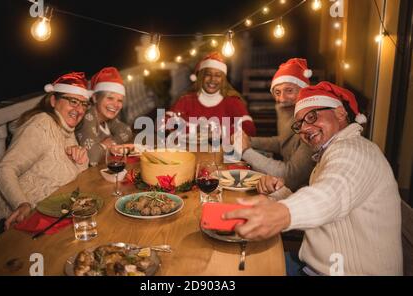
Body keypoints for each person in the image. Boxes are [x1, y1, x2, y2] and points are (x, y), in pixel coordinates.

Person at [225, 82, 403, 275]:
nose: (305, 129)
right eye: (300, 123)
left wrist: (282, 213)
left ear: (340, 113)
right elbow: (326, 205)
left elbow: (332, 194)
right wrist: (279, 192)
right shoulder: (331, 151)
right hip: (312, 265)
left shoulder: (354, 150)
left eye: (312, 117)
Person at [0, 72, 91, 230]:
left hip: (57, 215)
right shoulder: (41, 126)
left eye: (84, 104)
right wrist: (22, 204)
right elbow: (4, 169)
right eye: (73, 101)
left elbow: (76, 181)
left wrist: (80, 160)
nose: (79, 109)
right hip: (22, 221)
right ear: (53, 100)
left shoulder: (66, 127)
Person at [238, 58, 315, 191]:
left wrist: (246, 151)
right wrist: (249, 141)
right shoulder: (288, 111)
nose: (282, 99)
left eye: (289, 91)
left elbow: (290, 176)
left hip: (301, 193)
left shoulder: (312, 122)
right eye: (277, 92)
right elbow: (282, 143)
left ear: (304, 90)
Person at [169, 51, 256, 137]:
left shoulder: (233, 102)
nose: (212, 79)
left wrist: (219, 131)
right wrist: (194, 129)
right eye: (208, 74)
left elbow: (249, 129)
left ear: (223, 80)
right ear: (201, 77)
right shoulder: (185, 101)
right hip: (189, 150)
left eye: (217, 75)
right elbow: (164, 124)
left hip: (223, 150)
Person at [76, 67, 133, 166]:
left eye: (119, 100)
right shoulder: (88, 116)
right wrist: (104, 145)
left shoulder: (107, 118)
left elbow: (127, 131)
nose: (116, 105)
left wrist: (111, 144)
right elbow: (92, 158)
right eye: (110, 98)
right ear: (95, 98)